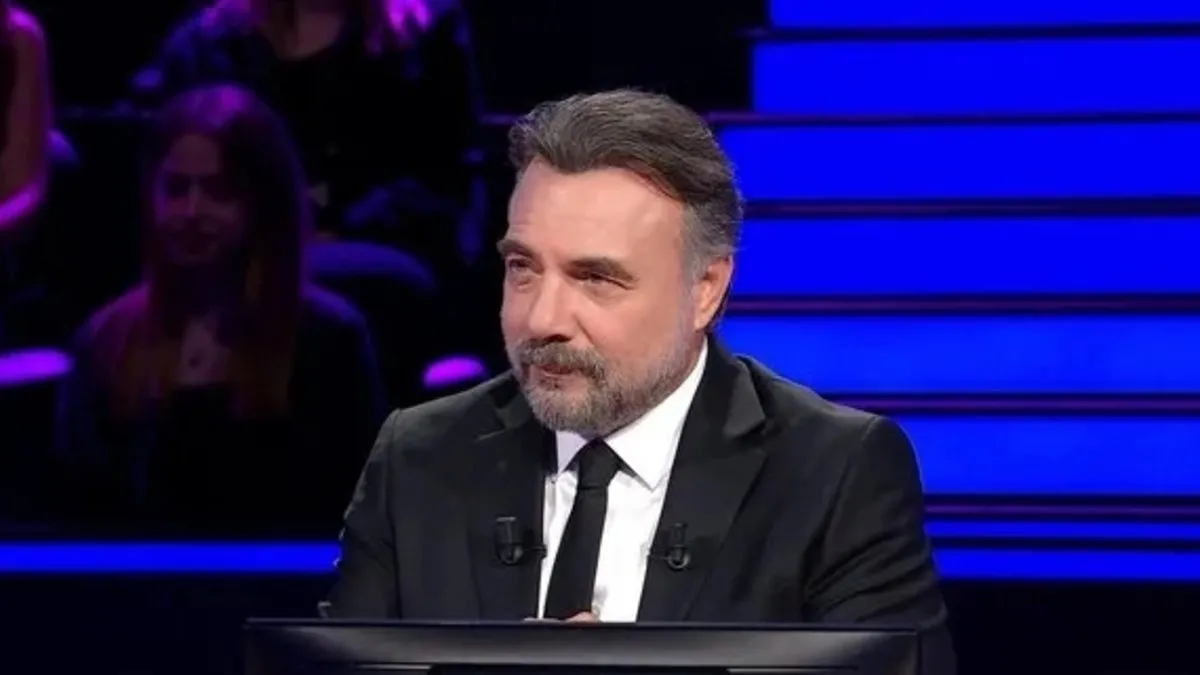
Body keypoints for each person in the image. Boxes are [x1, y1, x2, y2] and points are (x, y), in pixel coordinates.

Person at [322, 88, 954, 668]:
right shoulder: (419, 457)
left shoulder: (834, 474)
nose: (542, 319)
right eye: (522, 268)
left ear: (705, 290)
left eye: (595, 278)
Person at [53, 85, 386, 538]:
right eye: (175, 189)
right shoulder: (106, 340)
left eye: (218, 191)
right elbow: (78, 517)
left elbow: (359, 513)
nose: (192, 211)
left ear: (263, 203)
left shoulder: (327, 339)